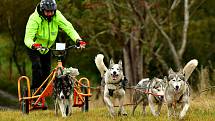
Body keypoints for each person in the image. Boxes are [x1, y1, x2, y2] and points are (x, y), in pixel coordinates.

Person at [24, 0, 85, 96]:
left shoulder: (57, 15)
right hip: (34, 46)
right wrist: (33, 45)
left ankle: (43, 94)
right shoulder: (34, 19)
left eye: (52, 11)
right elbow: (27, 38)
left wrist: (78, 40)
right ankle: (35, 91)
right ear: (42, 10)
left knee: (47, 70)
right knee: (37, 66)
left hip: (47, 47)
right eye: (47, 12)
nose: (50, 14)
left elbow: (68, 28)